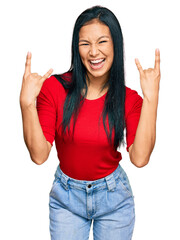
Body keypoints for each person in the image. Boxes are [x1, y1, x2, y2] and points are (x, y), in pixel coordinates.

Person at [19, 5, 160, 240]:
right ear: (77, 48)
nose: (94, 52)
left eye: (102, 41)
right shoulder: (54, 88)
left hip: (113, 198)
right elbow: (39, 155)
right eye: (85, 44)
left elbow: (140, 158)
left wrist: (151, 100)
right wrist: (26, 104)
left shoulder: (130, 100)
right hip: (66, 199)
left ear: (116, 44)